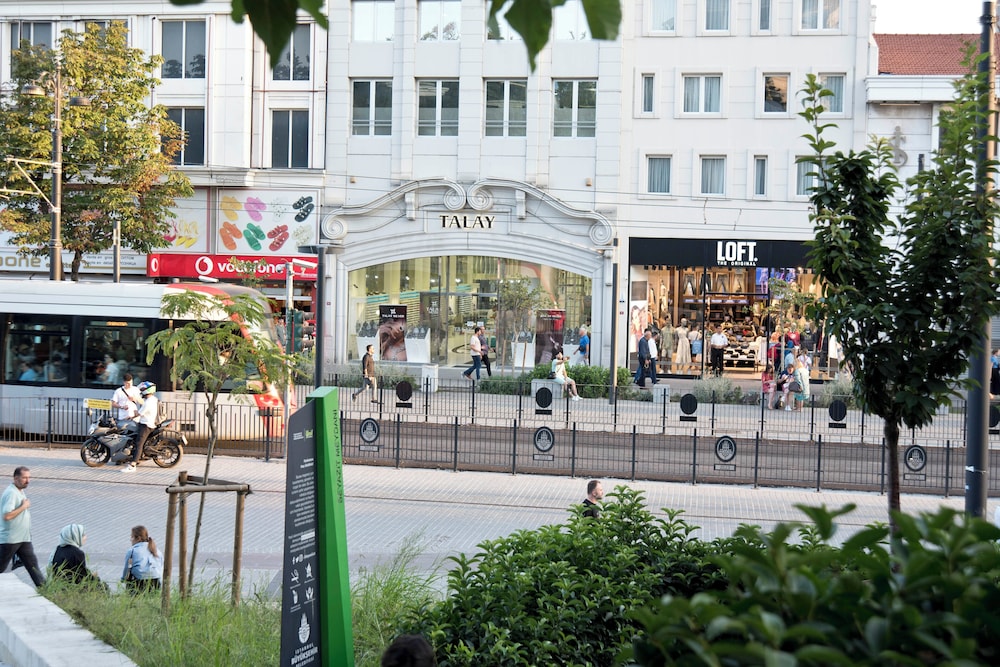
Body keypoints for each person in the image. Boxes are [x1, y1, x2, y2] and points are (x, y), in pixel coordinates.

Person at [0, 467, 45, 588]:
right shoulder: (11, 493)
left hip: (23, 539)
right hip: (11, 540)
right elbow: (7, 516)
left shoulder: (19, 490)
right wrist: (24, 506)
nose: (28, 481)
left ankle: (46, 591)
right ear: (16, 478)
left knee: (33, 566)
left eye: (29, 477)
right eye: (24, 478)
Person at [50, 524, 105, 588]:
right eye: (82, 535)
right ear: (75, 536)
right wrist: (94, 577)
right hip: (71, 587)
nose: (85, 537)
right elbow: (82, 576)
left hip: (58, 585)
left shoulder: (58, 549)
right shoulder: (77, 553)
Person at [122, 381, 158, 473]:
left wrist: (131, 415)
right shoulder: (153, 399)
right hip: (146, 423)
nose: (141, 392)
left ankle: (133, 465)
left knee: (139, 444)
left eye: (142, 390)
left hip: (145, 425)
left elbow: (139, 413)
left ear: (147, 391)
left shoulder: (148, 402)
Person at [121, 525, 163, 592]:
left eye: (132, 537)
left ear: (138, 538)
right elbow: (161, 566)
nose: (130, 540)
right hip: (156, 581)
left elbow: (126, 568)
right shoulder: (157, 550)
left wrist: (123, 579)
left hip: (140, 582)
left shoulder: (132, 550)